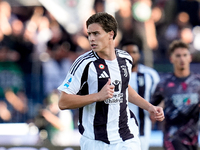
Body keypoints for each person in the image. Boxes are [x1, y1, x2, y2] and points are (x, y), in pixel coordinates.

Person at [57, 12, 164, 150]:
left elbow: (124, 88)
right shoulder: (84, 63)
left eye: (96, 33)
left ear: (110, 34)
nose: (91, 39)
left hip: (126, 137)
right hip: (95, 141)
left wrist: (149, 107)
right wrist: (97, 96)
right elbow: (63, 102)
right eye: (89, 34)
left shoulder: (125, 59)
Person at [151, 40, 200, 150]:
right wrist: (157, 113)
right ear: (171, 59)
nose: (181, 59)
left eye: (184, 55)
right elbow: (152, 108)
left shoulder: (198, 82)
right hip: (172, 140)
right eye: (178, 56)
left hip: (193, 139)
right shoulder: (164, 83)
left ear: (190, 57)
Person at [121, 40, 160, 150]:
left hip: (142, 128)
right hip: (117, 129)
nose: (130, 55)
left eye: (133, 52)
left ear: (139, 54)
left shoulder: (150, 75)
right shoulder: (113, 74)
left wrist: (156, 111)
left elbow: (159, 97)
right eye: (126, 52)